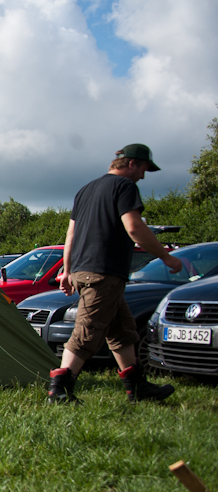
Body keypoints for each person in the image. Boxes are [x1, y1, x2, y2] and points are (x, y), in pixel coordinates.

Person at [48, 144, 182, 404]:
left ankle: (137, 387)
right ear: (132, 163)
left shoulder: (86, 189)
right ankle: (59, 389)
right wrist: (165, 256)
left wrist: (67, 271)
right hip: (103, 271)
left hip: (87, 270)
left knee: (122, 330)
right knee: (87, 331)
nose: (143, 176)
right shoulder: (124, 187)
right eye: (144, 168)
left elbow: (71, 234)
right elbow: (134, 227)